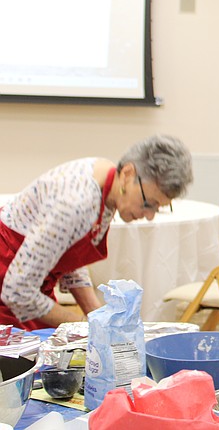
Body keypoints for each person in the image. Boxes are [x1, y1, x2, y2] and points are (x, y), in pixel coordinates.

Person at [0, 134, 193, 330]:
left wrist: (96, 315)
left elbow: (67, 251)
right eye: (148, 203)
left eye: (158, 207)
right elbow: (16, 292)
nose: (150, 215)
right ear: (127, 174)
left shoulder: (110, 186)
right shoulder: (76, 203)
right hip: (9, 280)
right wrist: (84, 326)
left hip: (26, 283)